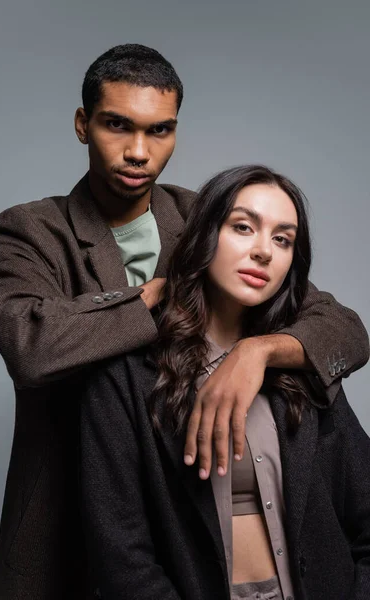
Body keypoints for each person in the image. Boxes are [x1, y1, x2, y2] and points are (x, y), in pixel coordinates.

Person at [0, 45, 368, 600]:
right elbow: (30, 344)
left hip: (182, 518)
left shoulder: (204, 216)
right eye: (118, 126)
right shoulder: (30, 230)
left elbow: (341, 326)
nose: (139, 151)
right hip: (65, 521)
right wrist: (155, 296)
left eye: (160, 131)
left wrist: (255, 353)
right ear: (82, 124)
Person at [81, 165, 370, 600]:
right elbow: (122, 558)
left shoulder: (300, 367)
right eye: (243, 227)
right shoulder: (124, 376)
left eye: (282, 239)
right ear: (204, 235)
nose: (263, 252)